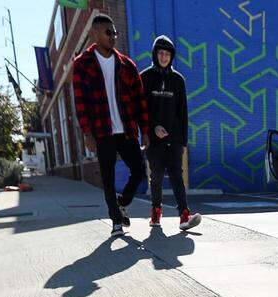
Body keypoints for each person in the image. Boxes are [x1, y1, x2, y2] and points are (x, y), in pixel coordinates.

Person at [71, 14, 149, 236]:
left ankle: (122, 201)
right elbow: (81, 102)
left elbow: (139, 100)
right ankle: (116, 220)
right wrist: (87, 133)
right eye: (108, 32)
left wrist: (145, 129)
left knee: (138, 171)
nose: (113, 37)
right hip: (102, 131)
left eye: (115, 33)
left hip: (126, 130)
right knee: (108, 177)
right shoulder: (82, 65)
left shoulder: (127, 65)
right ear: (95, 34)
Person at [140, 35, 200, 231]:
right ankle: (156, 210)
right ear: (155, 54)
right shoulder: (145, 78)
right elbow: (141, 110)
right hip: (153, 140)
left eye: (167, 54)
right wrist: (151, 129)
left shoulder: (178, 80)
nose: (164, 57)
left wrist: (183, 141)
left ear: (172, 56)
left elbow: (183, 113)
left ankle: (184, 215)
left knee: (176, 174)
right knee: (156, 175)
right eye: (161, 53)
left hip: (174, 138)